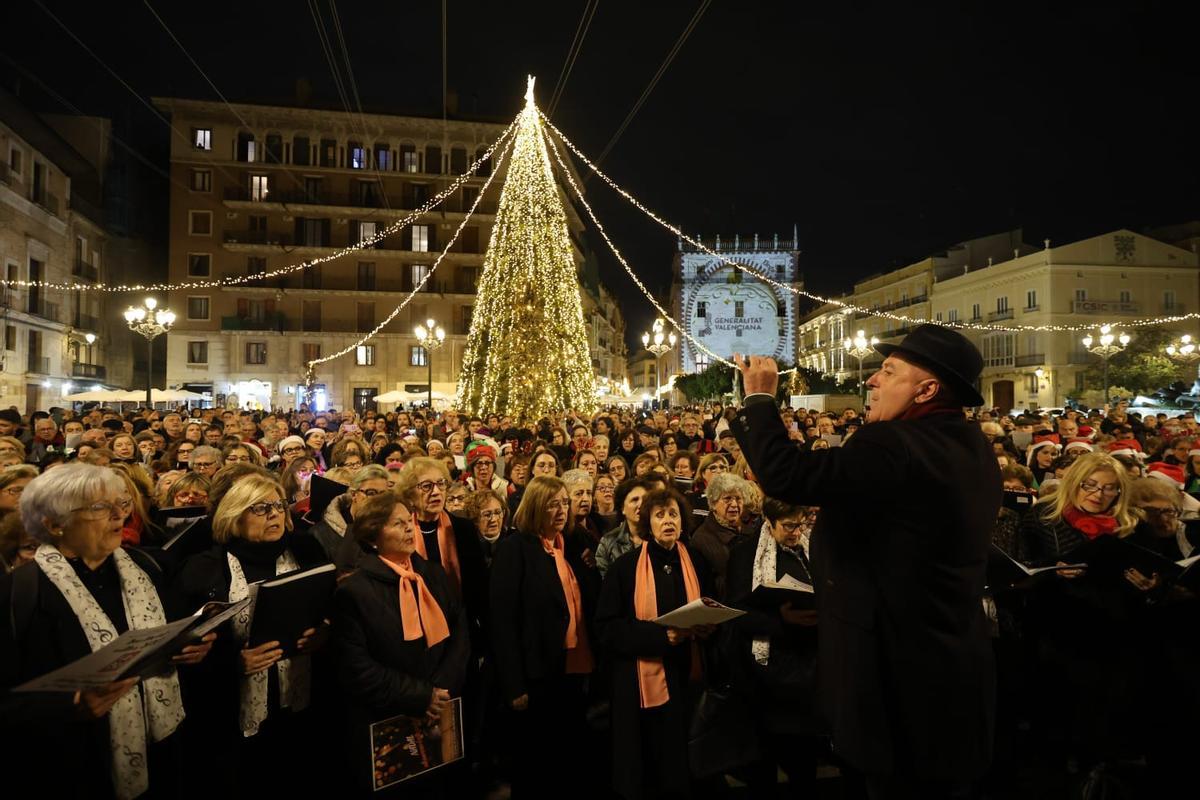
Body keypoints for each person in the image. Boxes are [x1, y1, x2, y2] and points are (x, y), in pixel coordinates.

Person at [732, 324, 1001, 797]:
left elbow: (787, 475)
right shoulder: (972, 445)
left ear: (927, 390)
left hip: (893, 685)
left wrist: (759, 400)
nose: (871, 380)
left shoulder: (894, 444)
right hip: (952, 673)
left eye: (889, 371)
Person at [0, 463, 214, 798]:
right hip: (72, 763)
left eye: (123, 504)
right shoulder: (18, 593)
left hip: (161, 745)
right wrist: (69, 705)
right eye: (100, 508)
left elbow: (174, 632)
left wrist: (194, 645)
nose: (120, 516)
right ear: (54, 523)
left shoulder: (150, 567)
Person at [170, 472, 330, 794]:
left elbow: (330, 610)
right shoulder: (203, 569)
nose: (274, 514)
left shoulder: (307, 551)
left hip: (299, 706)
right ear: (233, 516)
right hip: (227, 716)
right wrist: (233, 663)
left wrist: (325, 632)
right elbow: (184, 653)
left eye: (278, 505)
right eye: (259, 508)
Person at [331, 492, 469, 793]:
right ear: (373, 535)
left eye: (410, 522)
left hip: (441, 706)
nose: (409, 529)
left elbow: (459, 632)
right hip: (388, 716)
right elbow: (357, 668)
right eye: (398, 524)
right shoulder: (354, 591)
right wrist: (421, 696)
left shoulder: (431, 573)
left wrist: (442, 690)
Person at [595, 487, 715, 799]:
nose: (667, 521)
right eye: (659, 515)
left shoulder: (697, 562)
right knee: (645, 768)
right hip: (638, 682)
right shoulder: (625, 567)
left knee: (681, 767)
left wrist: (707, 628)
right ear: (648, 522)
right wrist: (660, 637)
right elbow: (607, 629)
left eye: (673, 514)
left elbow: (711, 606)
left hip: (688, 675)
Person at [489, 475, 595, 796]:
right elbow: (503, 621)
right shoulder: (515, 549)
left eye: (565, 502)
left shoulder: (572, 545)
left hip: (571, 667)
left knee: (566, 754)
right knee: (534, 760)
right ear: (535, 507)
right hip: (534, 672)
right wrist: (514, 684)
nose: (562, 510)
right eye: (553, 504)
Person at [727, 499, 824, 798]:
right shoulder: (745, 556)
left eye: (800, 524)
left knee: (804, 766)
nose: (796, 533)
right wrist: (781, 619)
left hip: (810, 671)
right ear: (769, 522)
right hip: (767, 675)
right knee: (765, 766)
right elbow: (735, 613)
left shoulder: (813, 551)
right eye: (788, 526)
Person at [689, 473, 753, 600]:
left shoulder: (751, 530)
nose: (734, 504)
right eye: (727, 499)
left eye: (738, 499)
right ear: (713, 503)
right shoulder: (701, 539)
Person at [595, 477, 655, 578]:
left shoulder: (659, 538)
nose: (640, 504)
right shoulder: (608, 542)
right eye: (634, 500)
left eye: (645, 499)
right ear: (623, 508)